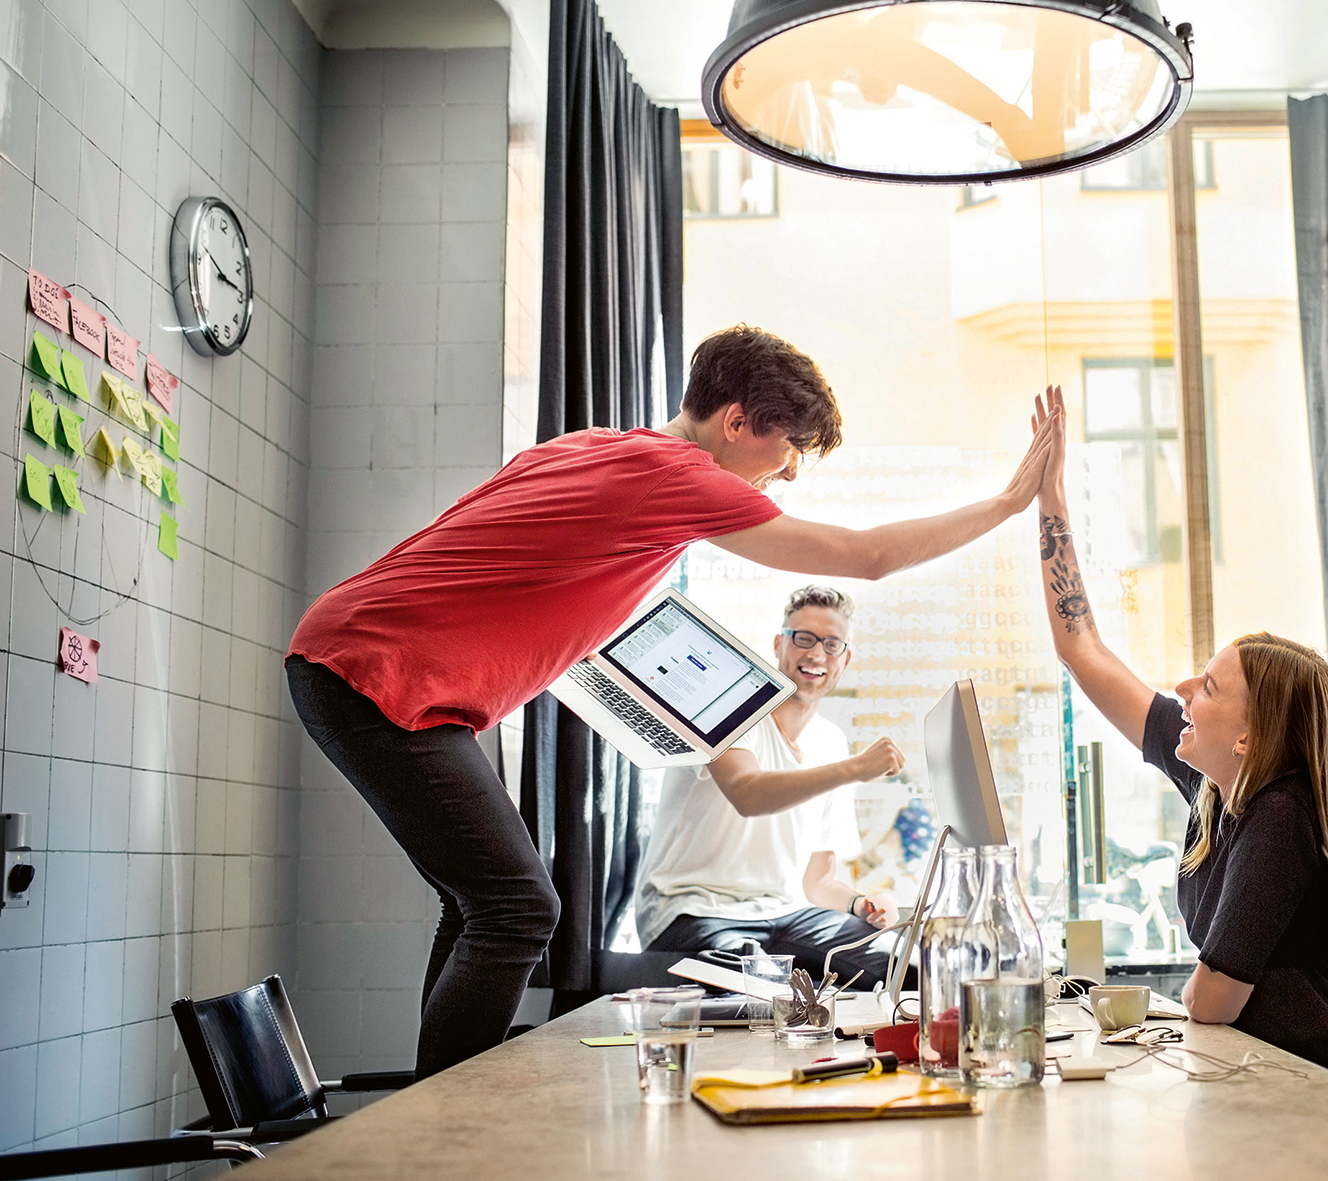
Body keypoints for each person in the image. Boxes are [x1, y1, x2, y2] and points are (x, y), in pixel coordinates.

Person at [285, 326, 1056, 1078]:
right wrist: (1009, 502)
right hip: (371, 669)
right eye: (786, 451)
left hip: (371, 666)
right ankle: (442, 1135)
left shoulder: (597, 448)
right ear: (736, 422)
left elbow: (505, 561)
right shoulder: (675, 477)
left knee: (481, 904)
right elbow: (869, 556)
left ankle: (434, 1107)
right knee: (519, 906)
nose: (787, 476)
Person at [1028, 386, 1328, 1088]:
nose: (1182, 689)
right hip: (1284, 1074)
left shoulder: (1279, 814)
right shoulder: (1221, 791)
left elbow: (1216, 998)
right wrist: (1050, 498)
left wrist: (1184, 996)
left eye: (1208, 686)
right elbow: (1082, 649)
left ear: (1251, 735)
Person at [636, 586, 905, 987]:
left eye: (831, 645)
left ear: (844, 660)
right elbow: (747, 792)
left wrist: (860, 904)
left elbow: (817, 882)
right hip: (694, 911)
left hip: (786, 912)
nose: (815, 654)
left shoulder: (830, 741)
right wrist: (853, 769)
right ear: (780, 644)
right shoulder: (728, 710)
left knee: (901, 967)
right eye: (804, 639)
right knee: (760, 987)